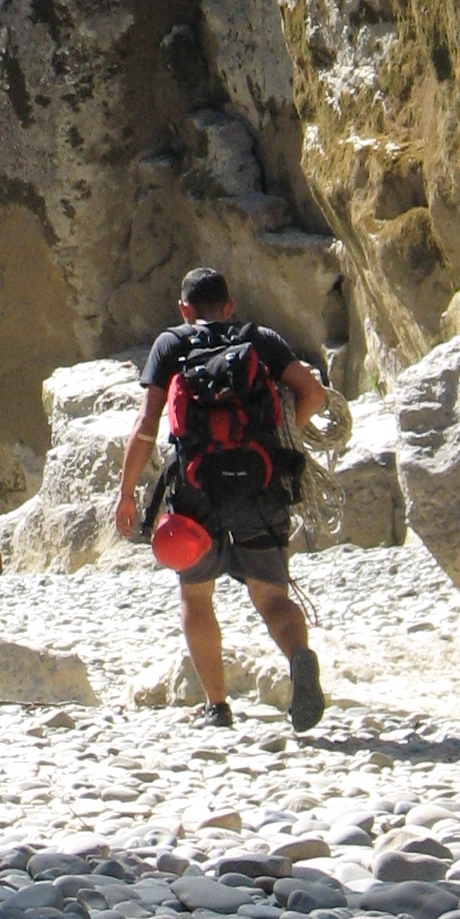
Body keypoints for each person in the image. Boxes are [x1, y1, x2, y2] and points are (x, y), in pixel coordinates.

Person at [114, 266, 330, 732]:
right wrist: (287, 433)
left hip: (197, 489)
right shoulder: (262, 338)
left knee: (196, 596)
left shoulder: (172, 344)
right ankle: (299, 658)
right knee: (271, 594)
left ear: (184, 310)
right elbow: (311, 392)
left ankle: (217, 707)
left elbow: (148, 423)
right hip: (260, 480)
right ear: (229, 306)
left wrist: (127, 492)